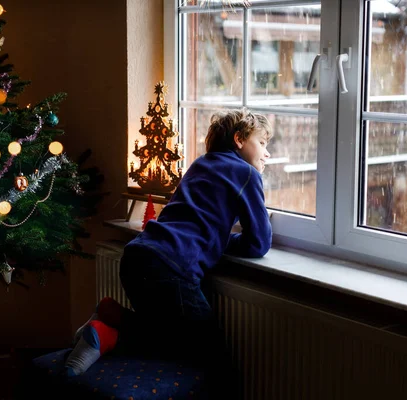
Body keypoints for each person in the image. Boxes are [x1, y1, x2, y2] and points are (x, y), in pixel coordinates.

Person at [65, 108, 273, 399]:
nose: (267, 154)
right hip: (172, 266)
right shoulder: (247, 174)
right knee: (212, 358)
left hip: (138, 255)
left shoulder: (200, 165)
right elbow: (259, 243)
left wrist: (215, 241)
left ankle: (113, 317)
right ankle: (107, 331)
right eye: (262, 143)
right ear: (239, 139)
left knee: (166, 336)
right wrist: (226, 243)